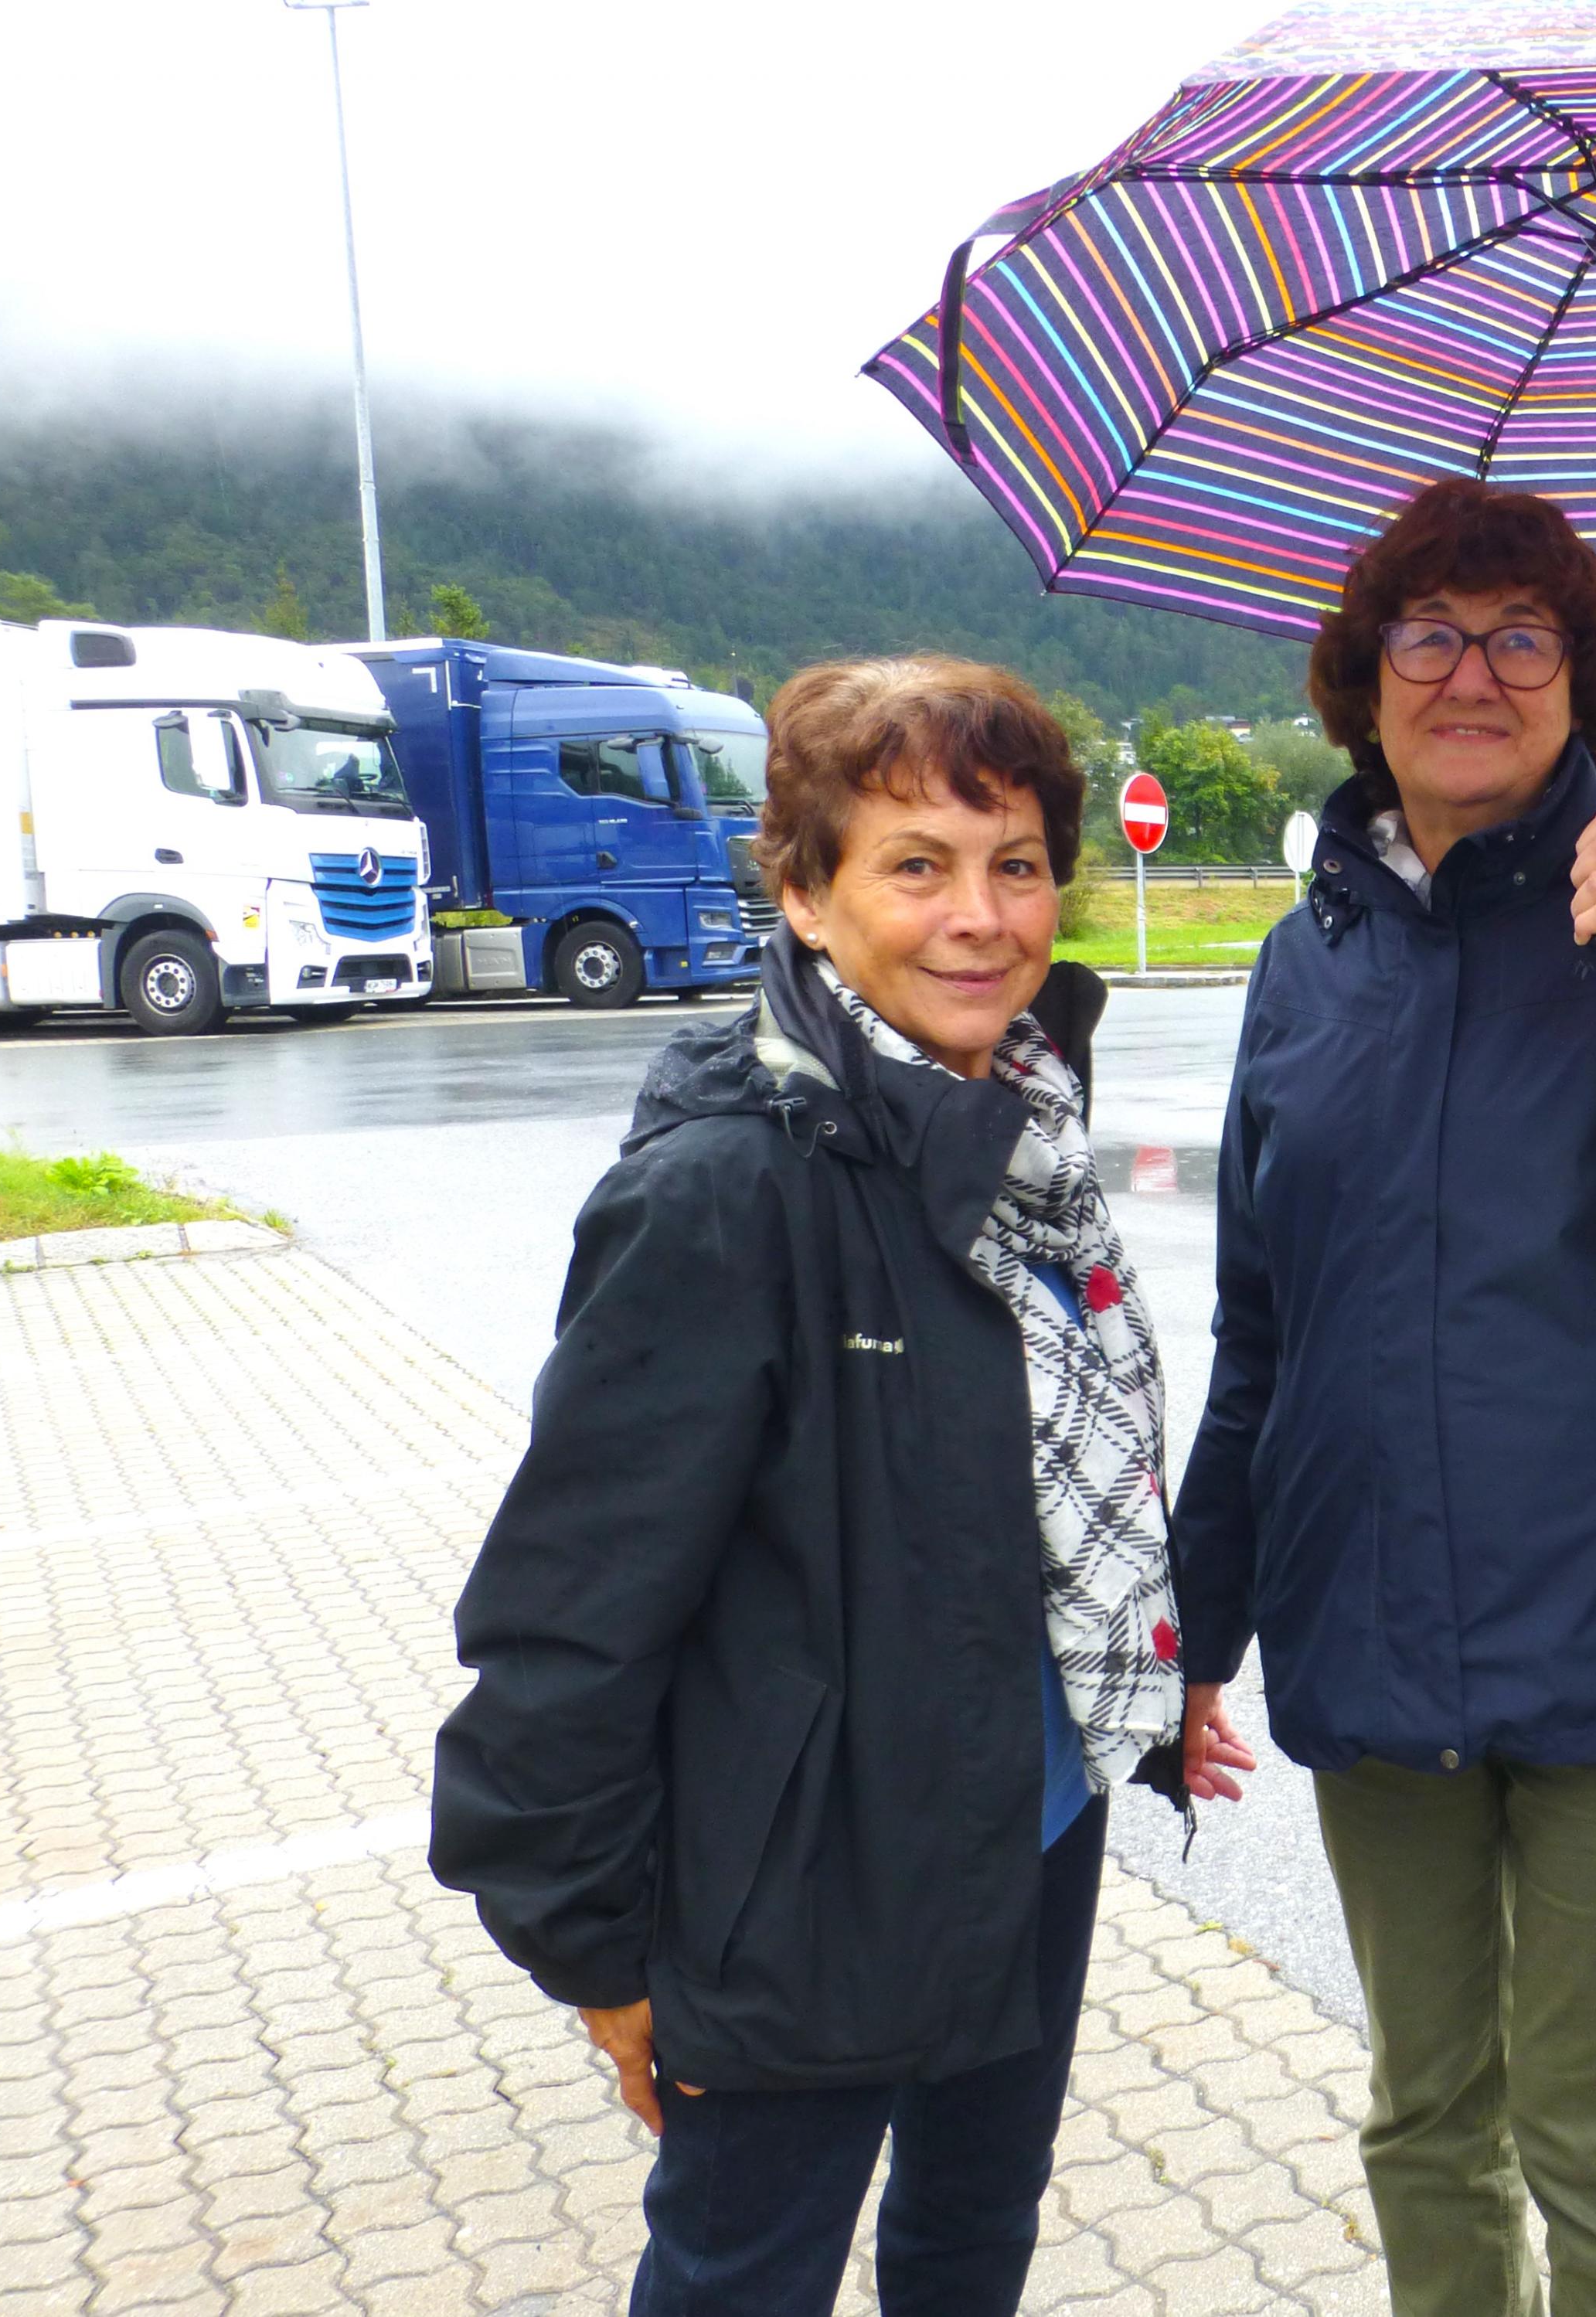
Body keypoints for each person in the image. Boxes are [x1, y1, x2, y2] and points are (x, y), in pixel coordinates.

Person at [429, 655, 1185, 2317]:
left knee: (972, 2236)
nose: (980, 917)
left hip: (1026, 1819)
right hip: (800, 1883)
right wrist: (593, 1943)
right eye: (916, 864)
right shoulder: (726, 1189)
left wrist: (1134, 1678)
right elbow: (568, 1613)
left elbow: (1055, 1487)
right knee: (742, 2280)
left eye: (1016, 863)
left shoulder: (1022, 1131)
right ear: (805, 891)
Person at [1169, 475, 1596, 2317]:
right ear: (1359, 678)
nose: (1472, 673)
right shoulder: (1306, 958)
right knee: (1424, 2115)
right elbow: (1259, 1329)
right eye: (1428, 633)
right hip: (1372, 1627)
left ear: (1584, 683)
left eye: (1523, 637)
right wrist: (1193, 1624)